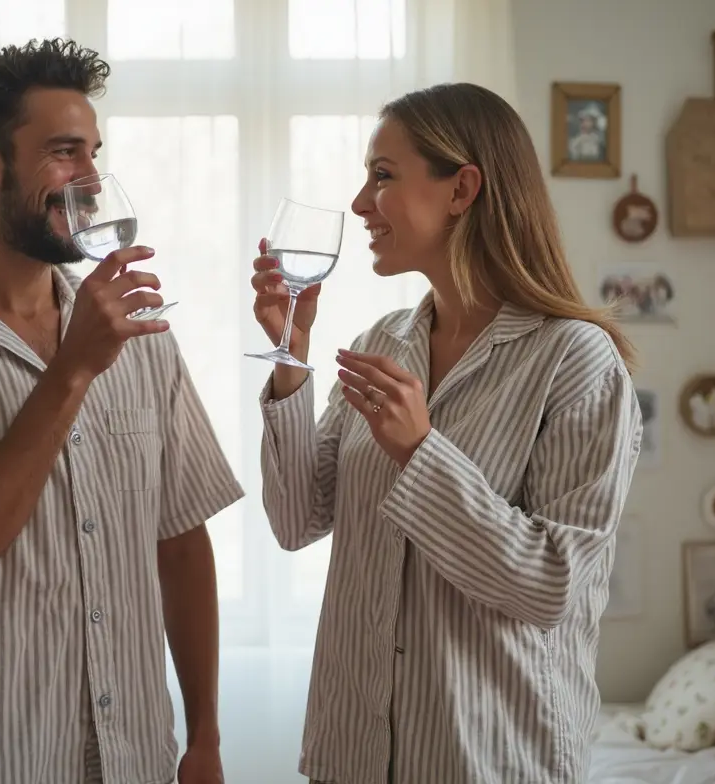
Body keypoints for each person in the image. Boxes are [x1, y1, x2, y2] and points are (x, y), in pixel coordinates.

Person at [0, 38, 243, 784]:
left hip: (137, 758)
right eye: (65, 153)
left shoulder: (143, 334)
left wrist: (205, 738)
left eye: (94, 153)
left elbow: (182, 542)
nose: (91, 178)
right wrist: (73, 369)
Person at [251, 82, 643, 784]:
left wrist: (420, 453)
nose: (360, 203)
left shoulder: (575, 360)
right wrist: (290, 358)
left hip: (486, 759)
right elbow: (294, 519)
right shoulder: (385, 342)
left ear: (461, 189)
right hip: (354, 753)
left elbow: (551, 586)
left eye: (382, 176)